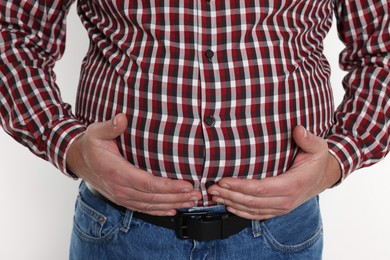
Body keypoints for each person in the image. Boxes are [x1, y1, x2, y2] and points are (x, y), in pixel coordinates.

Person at [0, 0, 388, 259]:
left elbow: (381, 47)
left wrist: (340, 156)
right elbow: (13, 32)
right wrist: (67, 145)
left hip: (281, 231)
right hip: (120, 228)